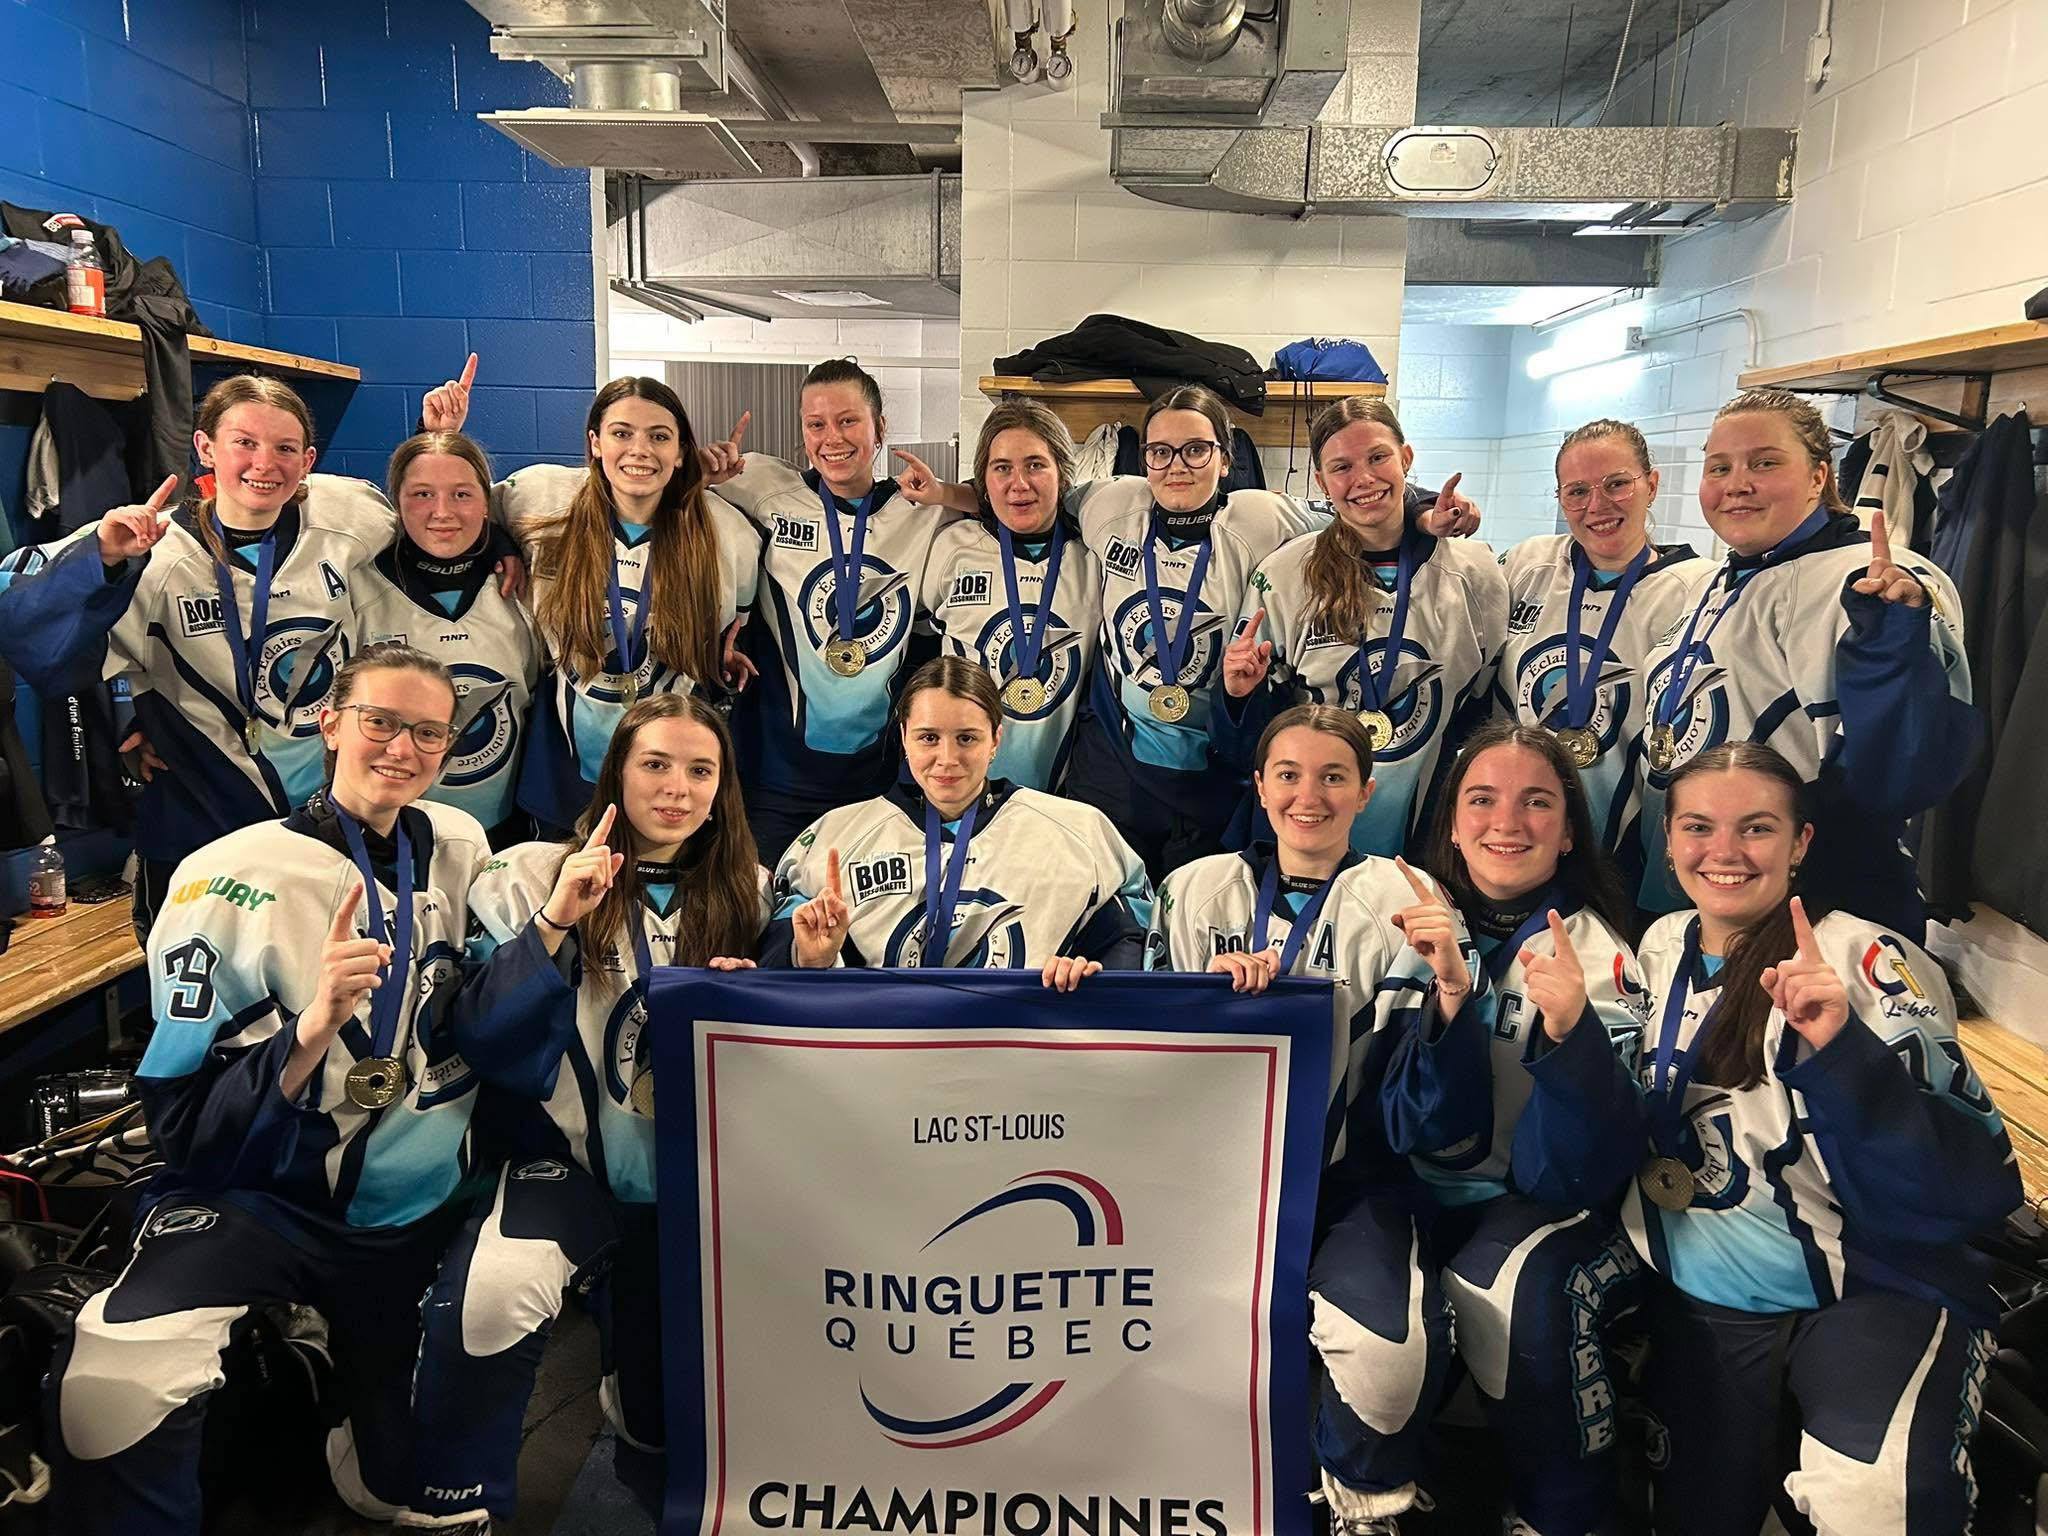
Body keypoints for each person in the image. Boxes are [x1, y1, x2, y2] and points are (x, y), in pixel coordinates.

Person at [44, 644, 533, 1535]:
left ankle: (339, 1386)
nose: (403, 748)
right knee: (118, 1380)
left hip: (412, 1212)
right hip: (266, 1203)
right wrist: (309, 1031)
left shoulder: (462, 843)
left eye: (428, 732)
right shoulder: (224, 878)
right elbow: (184, 1124)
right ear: (330, 723)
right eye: (380, 722)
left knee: (403, 1489)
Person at [1537, 741, 2017, 1535]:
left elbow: (1969, 1185)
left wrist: (1842, 1054)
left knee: (1874, 1503)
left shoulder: (1863, 957)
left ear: (1800, 844)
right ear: (1668, 839)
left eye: (1756, 828)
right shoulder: (1657, 947)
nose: (1723, 851)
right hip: (1704, 1297)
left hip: (1866, 1289)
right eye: (1698, 827)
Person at [409, 694, 770, 1526]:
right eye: (655, 764)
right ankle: (454, 1506)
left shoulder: (749, 890)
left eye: (700, 770)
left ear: (722, 788)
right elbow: (483, 1039)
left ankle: (634, 1383)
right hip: (568, 1170)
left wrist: (797, 970)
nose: (676, 788)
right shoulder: (531, 872)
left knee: (655, 1429)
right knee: (490, 1299)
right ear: (617, 772)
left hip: (696, 1191)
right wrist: (553, 924)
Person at [1144, 703, 1465, 1534]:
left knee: (1387, 1361)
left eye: (1332, 777)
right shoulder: (1193, 890)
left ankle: (1364, 1504)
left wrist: (1448, 992)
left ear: (1365, 792)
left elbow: (1419, 1102)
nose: (1308, 796)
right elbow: (1141, 1070)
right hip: (1207, 1186)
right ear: (1259, 785)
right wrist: (1204, 1009)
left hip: (1348, 1182)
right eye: (1288, 775)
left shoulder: (1404, 899)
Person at [0, 375, 396, 938]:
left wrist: (500, 549)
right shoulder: (148, 546)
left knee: (332, 975)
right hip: (202, 823)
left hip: (328, 821)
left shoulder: (347, 517)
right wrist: (103, 558)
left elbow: (436, 534)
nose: (265, 463)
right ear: (206, 447)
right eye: (245, 442)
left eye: (285, 447)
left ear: (308, 460)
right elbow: (24, 629)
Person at [1377, 722, 1650, 1536]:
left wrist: (1572, 1039)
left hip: (1537, 1202)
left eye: (1536, 803)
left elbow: (1575, 1174)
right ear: (1452, 825)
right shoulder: (1402, 924)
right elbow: (1404, 1126)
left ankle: (1561, 1512)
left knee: (1510, 1286)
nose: (1507, 822)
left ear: (1568, 833)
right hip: (1416, 1189)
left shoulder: (1600, 956)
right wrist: (1450, 998)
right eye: (1483, 800)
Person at [1629, 389, 1973, 932]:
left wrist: (1893, 640)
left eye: (1764, 463)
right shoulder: (1724, 580)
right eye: (1719, 467)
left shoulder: (1870, 579)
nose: (1736, 483)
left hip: (1814, 907)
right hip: (1706, 890)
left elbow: (1906, 771)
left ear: (1818, 477)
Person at [1215, 397, 1507, 859]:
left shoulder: (1476, 573)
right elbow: (1249, 740)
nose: (1364, 479)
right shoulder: (1286, 574)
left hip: (1429, 836)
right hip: (1304, 833)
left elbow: (1482, 713)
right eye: (1342, 467)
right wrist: (1238, 695)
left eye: (1377, 457)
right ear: (1321, 481)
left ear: (1406, 458)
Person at [699, 359, 959, 859]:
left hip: (878, 781)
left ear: (880, 427)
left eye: (848, 420)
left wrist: (948, 491)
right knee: (765, 902)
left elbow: (1007, 503)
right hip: (774, 778)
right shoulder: (766, 486)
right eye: (816, 424)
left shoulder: (921, 510)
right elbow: (653, 487)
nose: (831, 438)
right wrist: (701, 470)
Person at [770, 656, 1149, 983]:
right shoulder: (836, 837)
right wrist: (808, 957)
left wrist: (1092, 974)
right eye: (928, 738)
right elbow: (777, 961)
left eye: (966, 738)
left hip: (1023, 1039)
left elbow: (1129, 940)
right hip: (887, 1038)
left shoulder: (1078, 831)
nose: (947, 759)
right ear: (904, 736)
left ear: (995, 739)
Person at [1492, 419, 1712, 858]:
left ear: (1651, 485)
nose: (1597, 505)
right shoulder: (1527, 565)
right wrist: (1423, 509)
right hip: (1513, 832)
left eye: (1617, 484)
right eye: (1577, 491)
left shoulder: (1698, 590)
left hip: (1625, 845)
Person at [353, 430, 543, 843]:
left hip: (504, 831)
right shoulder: (360, 590)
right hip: (393, 831)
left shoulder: (522, 587)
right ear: (397, 502)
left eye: (462, 495)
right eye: (422, 494)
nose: (442, 512)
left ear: (486, 502)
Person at [912, 400, 1100, 790]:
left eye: (1035, 465)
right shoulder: (951, 547)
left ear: (1063, 473)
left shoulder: (1092, 558)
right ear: (983, 478)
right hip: (958, 787)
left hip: (1061, 794)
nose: (1019, 484)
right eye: (1002, 468)